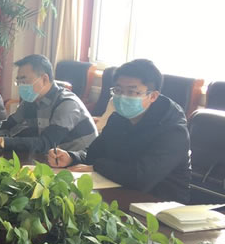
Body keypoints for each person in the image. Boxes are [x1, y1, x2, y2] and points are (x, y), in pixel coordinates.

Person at [48, 59, 191, 203]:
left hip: (160, 204)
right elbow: (94, 154)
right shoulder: (119, 118)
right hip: (117, 191)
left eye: (131, 91)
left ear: (152, 96)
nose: (123, 97)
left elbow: (141, 178)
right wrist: (72, 157)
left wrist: (97, 167)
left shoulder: (173, 131)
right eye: (118, 90)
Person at [0, 54, 97, 155]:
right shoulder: (32, 100)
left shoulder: (66, 104)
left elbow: (46, 143)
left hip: (80, 163)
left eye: (24, 81)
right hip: (51, 158)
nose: (21, 86)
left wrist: (1, 142)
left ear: (44, 79)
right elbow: (9, 124)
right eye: (18, 81)